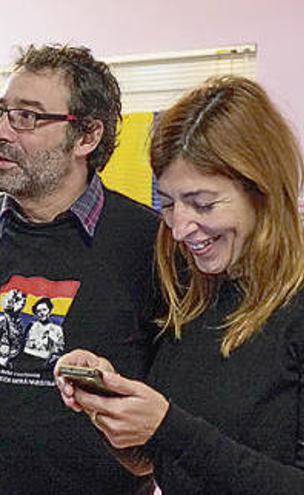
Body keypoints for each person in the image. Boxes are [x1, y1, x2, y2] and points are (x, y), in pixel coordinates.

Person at [55, 76, 304, 494]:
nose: (180, 227)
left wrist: (169, 425)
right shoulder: (194, 297)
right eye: (168, 203)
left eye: (203, 203)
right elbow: (154, 462)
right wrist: (115, 410)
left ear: (262, 191)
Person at [0, 44, 161, 494]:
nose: (0, 132)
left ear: (87, 137)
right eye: (0, 112)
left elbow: (169, 387)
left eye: (27, 117)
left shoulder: (149, 241)